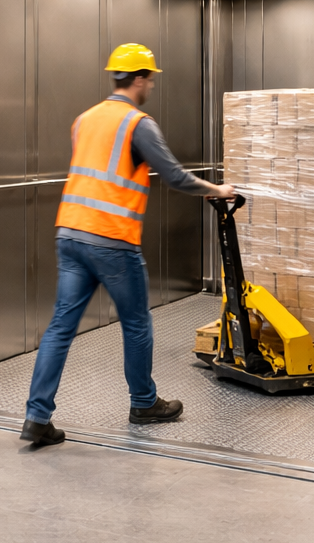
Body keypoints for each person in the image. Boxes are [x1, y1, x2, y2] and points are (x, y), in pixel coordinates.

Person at [20, 43, 238, 448]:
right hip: (112, 239)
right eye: (150, 79)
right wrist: (216, 189)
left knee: (60, 327)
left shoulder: (84, 120)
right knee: (136, 323)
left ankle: (37, 416)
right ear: (138, 78)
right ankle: (144, 403)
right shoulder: (138, 123)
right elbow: (173, 176)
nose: (151, 85)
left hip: (70, 233)